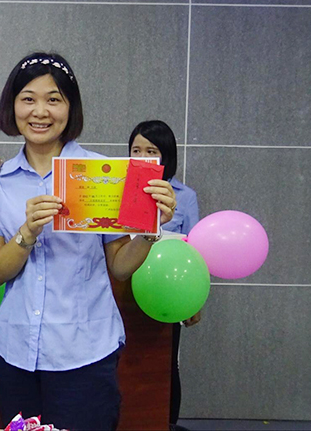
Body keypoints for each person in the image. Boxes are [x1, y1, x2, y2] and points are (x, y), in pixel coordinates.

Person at [0, 52, 177, 431]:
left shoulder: (102, 175)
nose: (40, 111)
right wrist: (26, 233)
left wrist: (148, 232)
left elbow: (120, 266)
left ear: (70, 108)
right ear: (12, 106)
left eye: (54, 99)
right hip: (16, 353)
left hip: (85, 353)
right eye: (28, 98)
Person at [128, 120, 201, 431]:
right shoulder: (117, 189)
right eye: (136, 151)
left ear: (166, 156)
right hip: (124, 286)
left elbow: (195, 249)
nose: (143, 157)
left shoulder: (185, 196)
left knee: (165, 364)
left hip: (165, 292)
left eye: (151, 151)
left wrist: (194, 301)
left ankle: (166, 423)